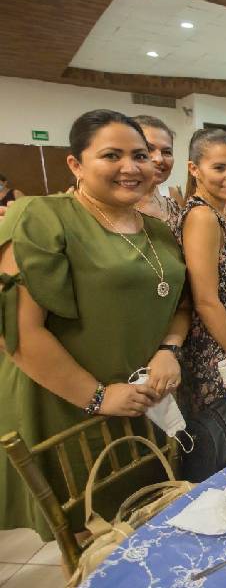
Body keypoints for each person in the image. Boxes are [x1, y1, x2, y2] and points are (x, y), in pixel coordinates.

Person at [0, 109, 188, 539]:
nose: (131, 167)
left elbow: (179, 304)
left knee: (144, 517)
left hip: (142, 400)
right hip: (66, 403)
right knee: (90, 534)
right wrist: (98, 395)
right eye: (111, 155)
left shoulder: (157, 231)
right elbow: (18, 332)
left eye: (140, 155)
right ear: (75, 164)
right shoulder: (43, 218)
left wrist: (169, 347)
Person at [178, 129, 226, 413]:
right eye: (219, 168)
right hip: (216, 354)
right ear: (194, 169)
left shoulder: (219, 213)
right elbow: (206, 300)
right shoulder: (202, 217)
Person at [132, 115, 182, 234]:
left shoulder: (173, 203)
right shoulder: (113, 206)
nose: (159, 159)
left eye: (166, 152)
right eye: (149, 149)